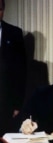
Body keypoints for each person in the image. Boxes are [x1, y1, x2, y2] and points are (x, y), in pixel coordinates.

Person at [0, 0, 27, 136]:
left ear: (3, 10)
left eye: (0, 9)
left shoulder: (14, 33)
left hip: (6, 103)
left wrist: (17, 105)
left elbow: (20, 72)